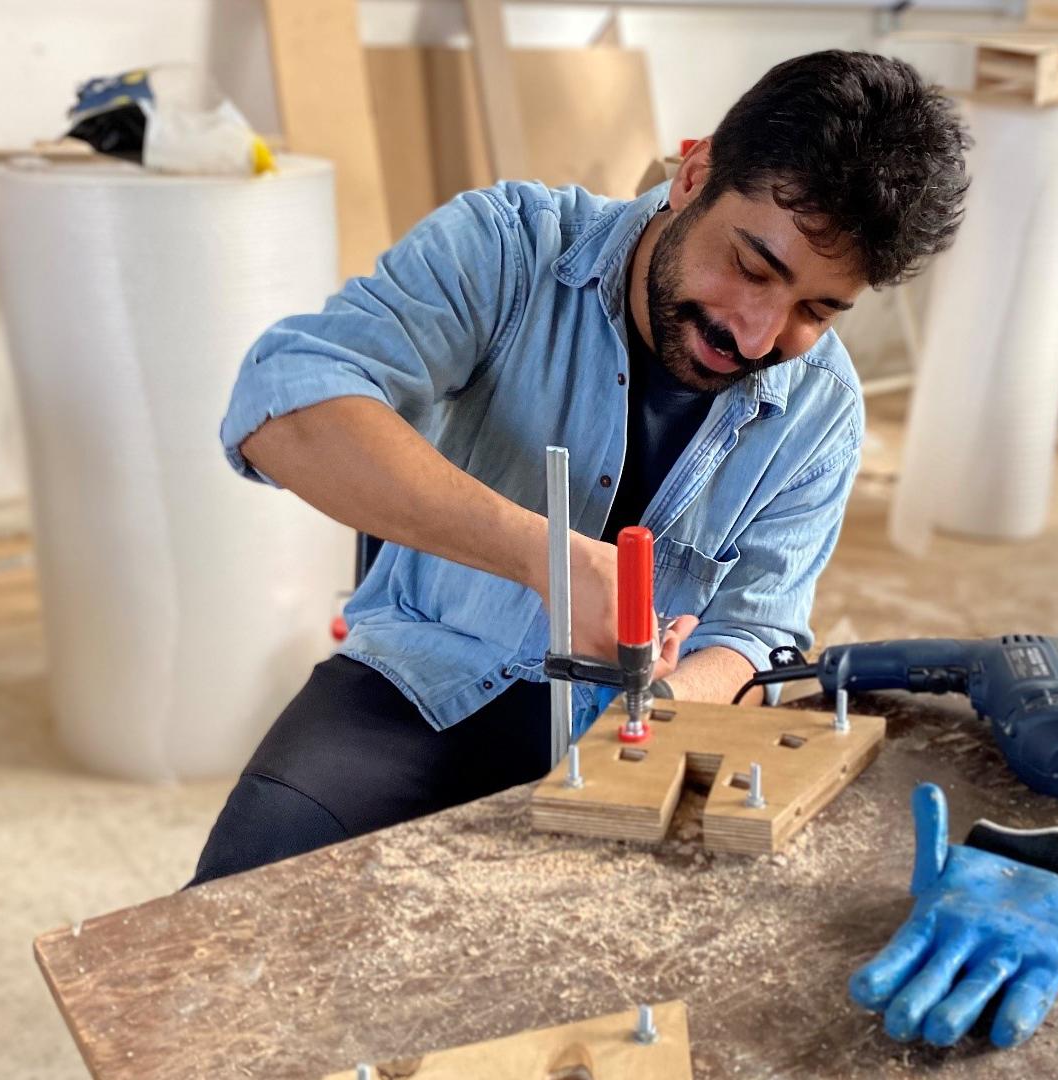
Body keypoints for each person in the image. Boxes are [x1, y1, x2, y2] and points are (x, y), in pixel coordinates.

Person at [190, 49, 970, 886]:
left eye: (814, 310)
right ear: (694, 174)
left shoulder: (822, 410)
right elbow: (280, 404)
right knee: (239, 907)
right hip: (419, 683)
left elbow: (757, 632)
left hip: (641, 732)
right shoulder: (508, 248)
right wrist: (542, 557)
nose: (755, 335)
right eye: (751, 267)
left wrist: (666, 702)